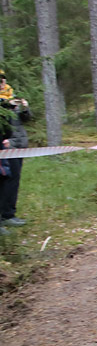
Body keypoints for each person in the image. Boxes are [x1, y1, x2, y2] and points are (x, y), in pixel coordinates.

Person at [0, 70, 31, 231]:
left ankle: (10, 213)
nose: (2, 84)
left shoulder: (12, 97)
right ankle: (5, 215)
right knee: (6, 179)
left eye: (3, 81)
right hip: (7, 146)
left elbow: (26, 119)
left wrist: (25, 108)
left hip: (20, 143)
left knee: (15, 179)